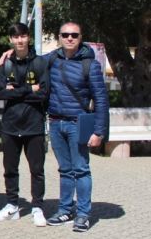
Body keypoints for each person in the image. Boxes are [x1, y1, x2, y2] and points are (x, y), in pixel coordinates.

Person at [44, 22, 108, 232]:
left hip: (77, 124)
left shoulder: (90, 64)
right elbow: (28, 62)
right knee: (65, 170)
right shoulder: (51, 59)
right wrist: (10, 53)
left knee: (81, 170)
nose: (69, 38)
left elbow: (100, 100)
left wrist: (99, 131)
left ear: (80, 37)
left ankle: (82, 214)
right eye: (65, 34)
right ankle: (65, 209)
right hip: (55, 123)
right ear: (59, 37)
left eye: (74, 35)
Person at [0, 23, 50, 227]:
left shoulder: (40, 63)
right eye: (16, 37)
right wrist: (28, 89)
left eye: (23, 36)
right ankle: (12, 206)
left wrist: (16, 90)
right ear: (11, 40)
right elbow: (0, 93)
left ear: (28, 38)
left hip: (34, 125)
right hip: (10, 125)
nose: (20, 40)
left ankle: (37, 207)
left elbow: (43, 93)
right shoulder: (5, 64)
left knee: (37, 170)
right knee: (10, 169)